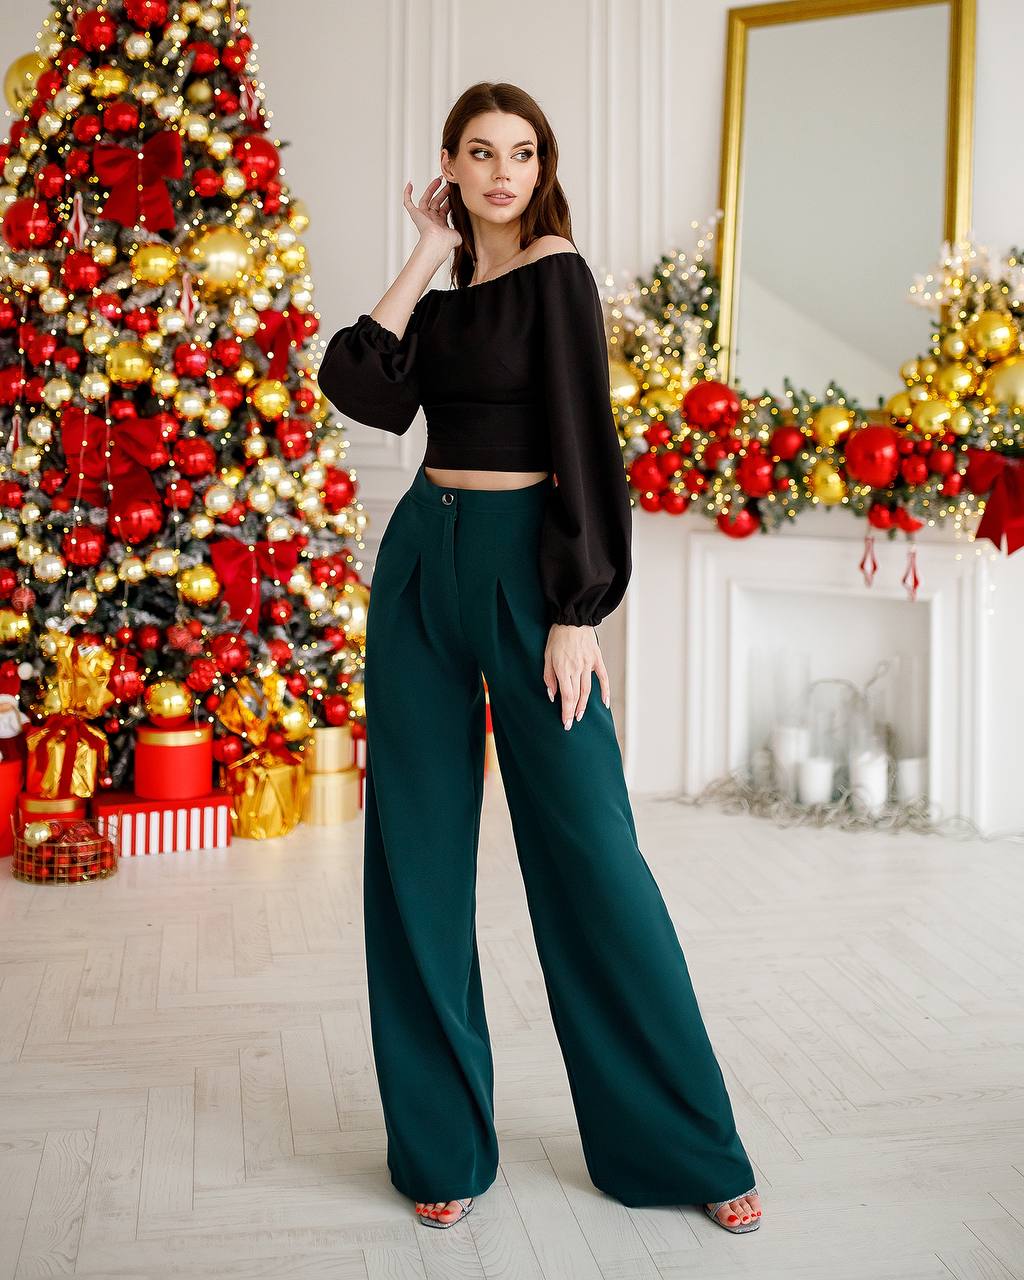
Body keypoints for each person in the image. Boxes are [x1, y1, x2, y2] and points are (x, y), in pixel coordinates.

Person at [315, 81, 762, 1236]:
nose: (503, 171)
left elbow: (584, 440)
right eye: (480, 153)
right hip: (422, 562)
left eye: (521, 152)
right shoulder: (455, 294)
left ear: (540, 163)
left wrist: (578, 610)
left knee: (591, 855)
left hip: (528, 575)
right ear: (451, 169)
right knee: (413, 850)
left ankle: (679, 1141)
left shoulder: (558, 274)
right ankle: (442, 1143)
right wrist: (424, 252)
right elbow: (359, 382)